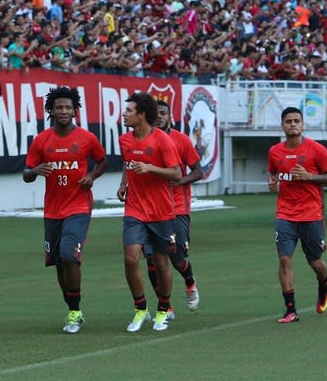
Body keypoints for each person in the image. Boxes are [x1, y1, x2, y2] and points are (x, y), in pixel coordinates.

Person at [23, 87, 108, 334]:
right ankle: (73, 308)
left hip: (79, 206)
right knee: (60, 262)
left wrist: (92, 176)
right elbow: (26, 175)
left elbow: (103, 161)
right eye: (59, 107)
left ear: (75, 111)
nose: (64, 111)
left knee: (69, 255)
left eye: (68, 108)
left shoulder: (87, 138)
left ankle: (74, 311)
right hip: (52, 211)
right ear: (51, 110)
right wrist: (36, 171)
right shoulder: (41, 140)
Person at [117, 92, 182, 332]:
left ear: (142, 114)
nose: (124, 114)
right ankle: (140, 308)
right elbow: (128, 163)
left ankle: (163, 309)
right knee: (130, 258)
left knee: (160, 262)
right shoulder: (124, 140)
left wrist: (150, 168)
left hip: (162, 211)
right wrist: (124, 183)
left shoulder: (163, 141)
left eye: (129, 111)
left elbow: (176, 173)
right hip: (134, 208)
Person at [267, 107, 327, 324]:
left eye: (297, 120)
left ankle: (323, 283)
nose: (292, 124)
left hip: (311, 213)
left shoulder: (317, 150)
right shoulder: (275, 152)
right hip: (285, 213)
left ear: (303, 125)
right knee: (284, 258)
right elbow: (273, 171)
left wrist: (308, 176)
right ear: (282, 125)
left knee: (315, 262)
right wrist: (272, 182)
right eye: (288, 121)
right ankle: (291, 310)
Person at [145, 100, 203, 316]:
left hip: (177, 207)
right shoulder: (143, 140)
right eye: (156, 113)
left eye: (163, 113)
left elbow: (198, 171)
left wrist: (179, 181)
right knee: (152, 258)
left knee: (176, 257)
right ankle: (165, 305)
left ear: (170, 117)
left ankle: (190, 283)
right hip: (151, 208)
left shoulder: (181, 140)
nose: (159, 117)